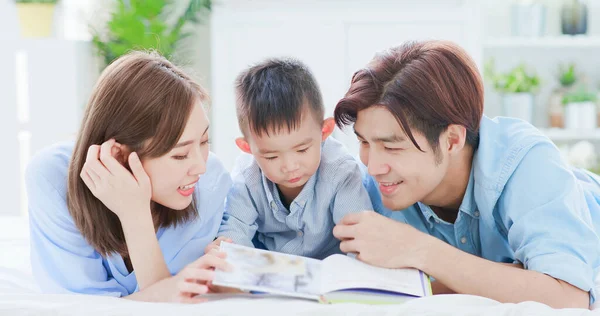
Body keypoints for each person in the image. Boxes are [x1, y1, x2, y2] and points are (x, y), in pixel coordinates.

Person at [332, 40, 600, 309]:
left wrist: (419, 249)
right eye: (364, 142)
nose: (373, 166)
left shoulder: (525, 163)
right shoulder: (368, 188)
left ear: (451, 140)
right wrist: (514, 276)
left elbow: (570, 298)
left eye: (392, 147)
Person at [26, 51, 232, 302]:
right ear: (118, 155)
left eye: (204, 141)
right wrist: (133, 211)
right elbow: (80, 305)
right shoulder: (52, 178)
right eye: (180, 155)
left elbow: (169, 301)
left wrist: (136, 217)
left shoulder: (210, 181)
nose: (200, 166)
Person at [206, 58, 372, 259]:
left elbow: (358, 239)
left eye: (302, 150)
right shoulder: (247, 175)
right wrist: (225, 251)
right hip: (270, 273)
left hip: (329, 271)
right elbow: (235, 228)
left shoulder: (341, 171)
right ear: (247, 148)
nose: (290, 166)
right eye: (272, 156)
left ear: (324, 131)